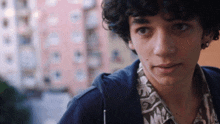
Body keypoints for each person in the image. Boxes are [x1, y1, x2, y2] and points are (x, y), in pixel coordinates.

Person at [59, 0, 220, 123]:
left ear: (206, 31)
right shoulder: (93, 110)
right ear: (129, 38)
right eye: (143, 30)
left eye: (180, 27)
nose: (162, 49)